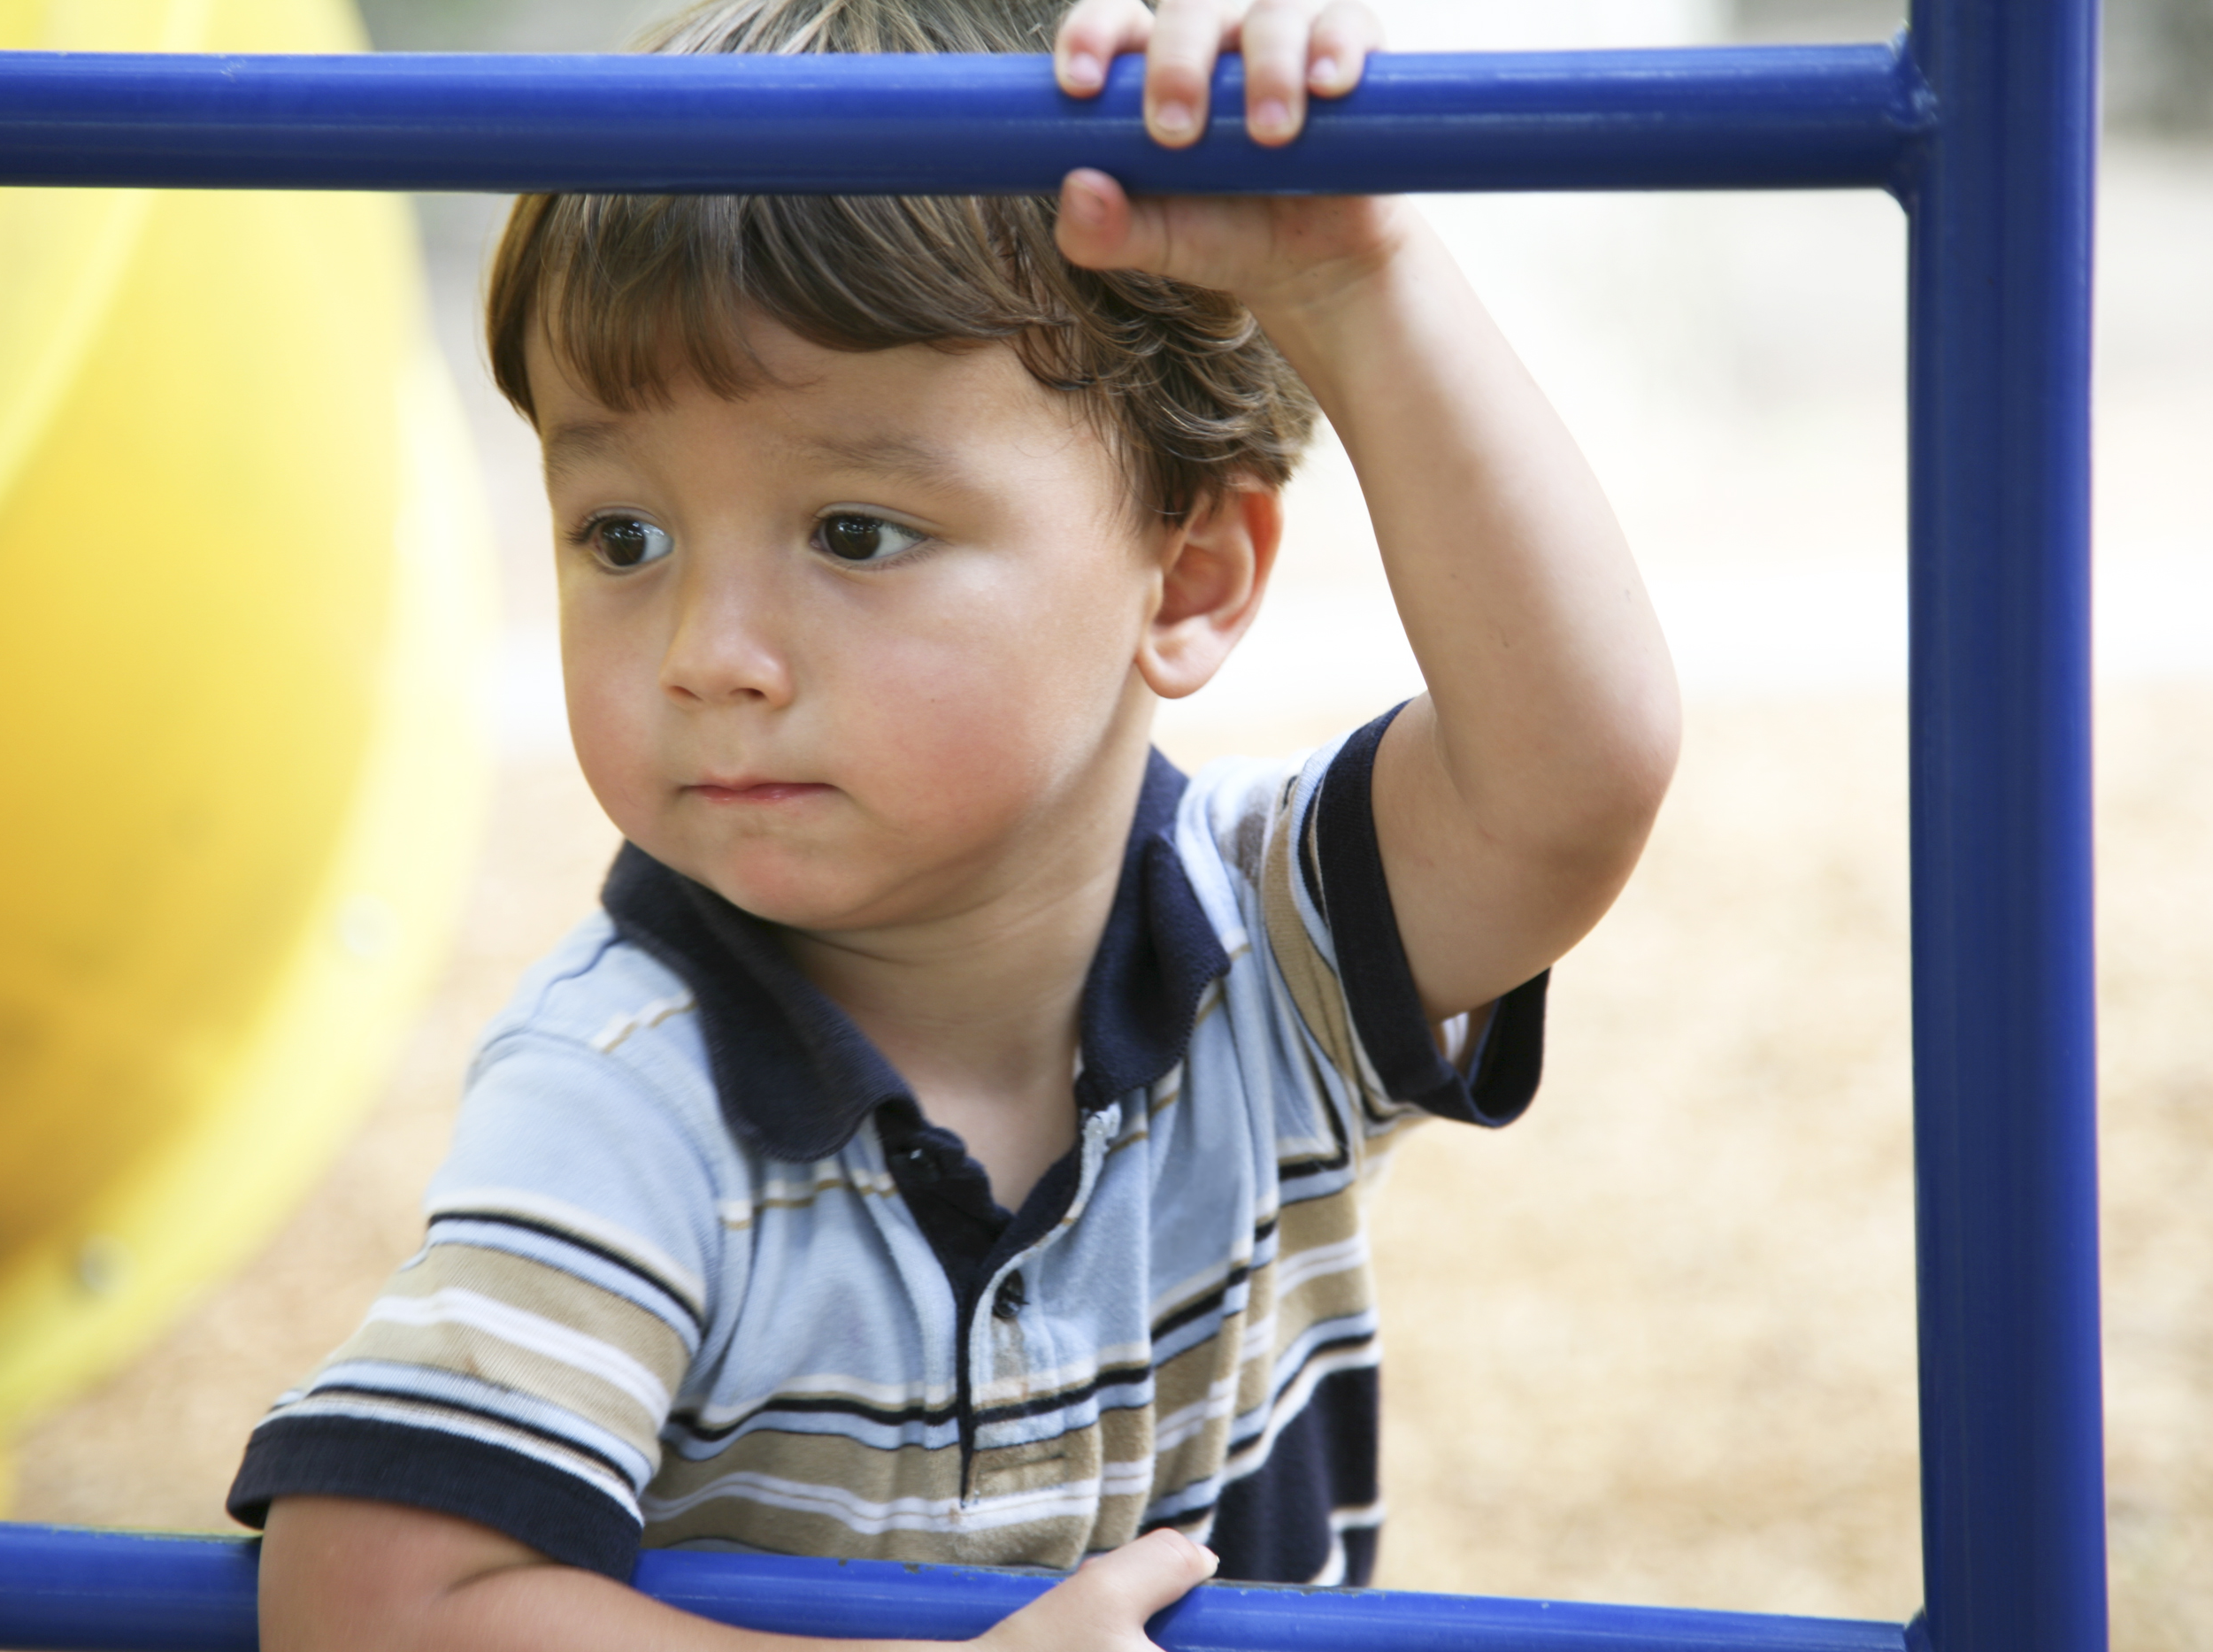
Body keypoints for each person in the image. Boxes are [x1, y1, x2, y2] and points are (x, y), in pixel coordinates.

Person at [231, 0, 1681, 1646]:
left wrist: (1360, 290)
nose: (711, 655)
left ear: (1189, 578)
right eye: (622, 536)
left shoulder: (1268, 953)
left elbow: (1575, 775)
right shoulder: (630, 1096)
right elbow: (373, 1598)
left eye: (853, 530)